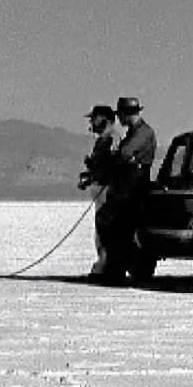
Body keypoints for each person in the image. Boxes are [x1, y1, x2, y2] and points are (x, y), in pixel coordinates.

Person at [100, 95, 158, 283]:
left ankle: (118, 271)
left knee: (120, 230)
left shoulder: (143, 132)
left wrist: (119, 156)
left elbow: (125, 153)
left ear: (127, 114)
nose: (119, 120)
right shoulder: (135, 132)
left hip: (132, 190)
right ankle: (115, 269)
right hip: (124, 188)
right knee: (114, 229)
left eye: (121, 115)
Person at [79, 103, 122, 277]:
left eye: (94, 119)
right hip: (99, 189)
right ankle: (104, 263)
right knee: (101, 229)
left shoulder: (113, 139)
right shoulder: (103, 140)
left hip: (106, 190)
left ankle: (107, 265)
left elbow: (112, 164)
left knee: (106, 230)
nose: (92, 123)